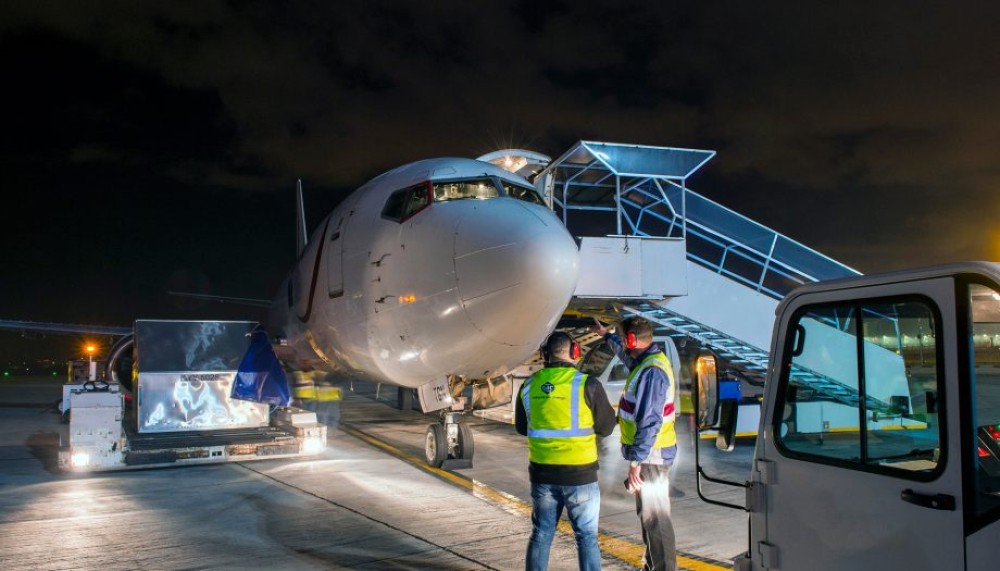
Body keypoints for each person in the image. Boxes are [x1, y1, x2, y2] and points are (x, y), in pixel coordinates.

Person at [516, 331, 617, 571]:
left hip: (542, 474)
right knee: (586, 537)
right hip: (580, 476)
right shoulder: (587, 384)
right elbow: (606, 427)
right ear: (574, 352)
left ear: (544, 354)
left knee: (541, 533)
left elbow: (521, 427)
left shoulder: (529, 385)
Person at [592, 316, 677, 571]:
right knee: (649, 516)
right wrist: (607, 336)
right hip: (650, 454)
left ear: (632, 339)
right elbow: (626, 356)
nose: (624, 345)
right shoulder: (646, 362)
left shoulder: (652, 372)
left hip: (651, 456)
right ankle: (652, 565)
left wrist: (636, 462)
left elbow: (649, 422)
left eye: (624, 339)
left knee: (656, 518)